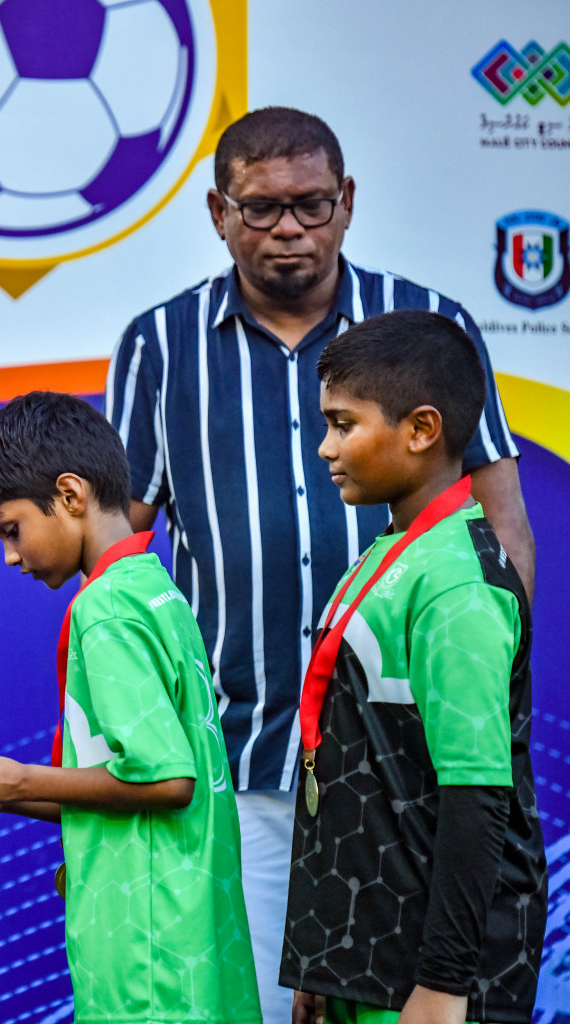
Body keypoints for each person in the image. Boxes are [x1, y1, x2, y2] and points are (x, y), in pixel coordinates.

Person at [104, 106, 534, 1024]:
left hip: (405, 777)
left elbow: (501, 536)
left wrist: (474, 699)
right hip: (240, 756)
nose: (288, 227)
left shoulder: (430, 327)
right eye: (260, 209)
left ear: (347, 202)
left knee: (411, 999)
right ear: (218, 213)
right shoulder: (159, 344)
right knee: (256, 1007)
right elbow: (117, 542)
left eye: (309, 204)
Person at [0, 391, 260, 1024]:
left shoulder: (104, 609)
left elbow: (166, 780)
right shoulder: (153, 588)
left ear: (70, 495)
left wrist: (18, 777)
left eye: (11, 529)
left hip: (149, 955)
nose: (9, 555)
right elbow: (126, 780)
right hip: (185, 932)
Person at [284, 310, 545, 1024]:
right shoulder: (388, 556)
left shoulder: (456, 583)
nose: (324, 447)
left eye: (343, 424)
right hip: (364, 963)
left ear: (421, 430)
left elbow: (476, 798)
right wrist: (324, 956)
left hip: (431, 987)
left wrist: (445, 984)